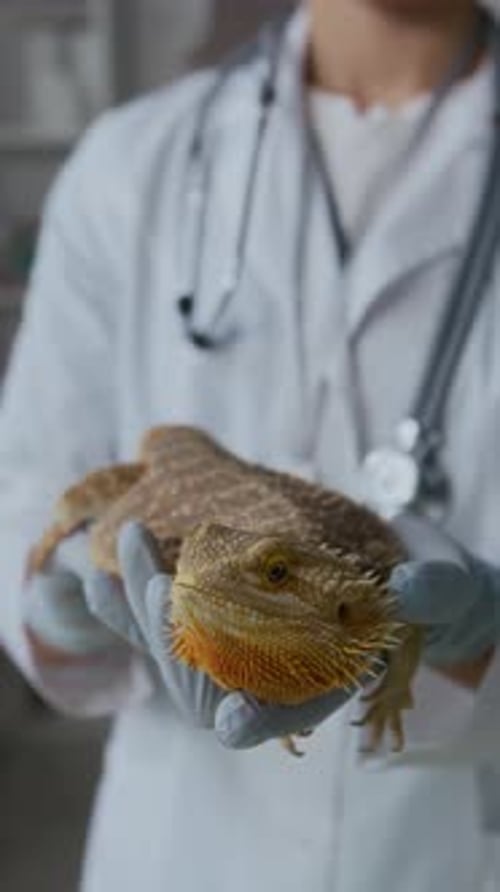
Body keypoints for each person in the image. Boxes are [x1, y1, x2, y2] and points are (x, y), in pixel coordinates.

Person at [1, 0, 500, 889]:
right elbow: (28, 484)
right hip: (179, 841)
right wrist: (52, 588)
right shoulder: (132, 163)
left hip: (450, 844)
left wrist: (480, 643)